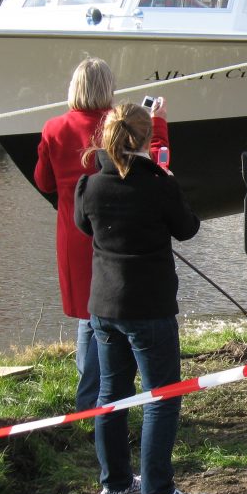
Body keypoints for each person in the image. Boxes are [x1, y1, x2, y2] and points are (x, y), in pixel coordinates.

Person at [74, 103, 207, 494]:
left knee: (111, 395)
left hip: (103, 309)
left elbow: (83, 225)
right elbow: (187, 227)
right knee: (162, 397)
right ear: (147, 140)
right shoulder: (157, 184)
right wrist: (168, 181)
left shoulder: (89, 185)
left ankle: (114, 483)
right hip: (148, 309)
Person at [34, 58, 168, 412]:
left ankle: (90, 399)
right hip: (114, 232)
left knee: (89, 317)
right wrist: (159, 125)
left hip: (73, 231)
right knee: (115, 314)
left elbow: (44, 182)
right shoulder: (115, 125)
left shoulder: (53, 127)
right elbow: (153, 166)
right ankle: (112, 398)